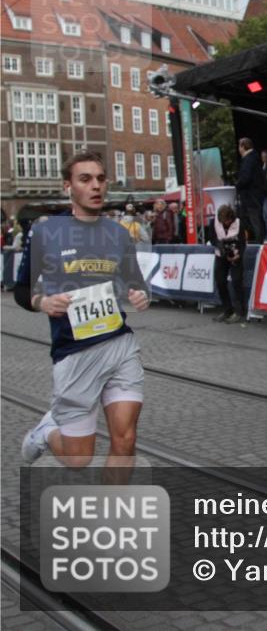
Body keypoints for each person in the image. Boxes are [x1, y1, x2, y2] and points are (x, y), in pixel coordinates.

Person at [16, 150, 150, 467]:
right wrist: (43, 302)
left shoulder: (118, 233)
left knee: (126, 440)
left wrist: (141, 295)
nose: (96, 186)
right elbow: (22, 289)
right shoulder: (46, 231)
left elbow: (136, 282)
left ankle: (114, 514)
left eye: (101, 179)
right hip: (74, 352)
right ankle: (47, 431)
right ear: (68, 186)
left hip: (119, 345)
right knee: (78, 459)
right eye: (85, 179)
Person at [209, 205, 247, 324]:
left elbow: (243, 242)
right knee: (220, 282)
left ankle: (240, 312)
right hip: (221, 256)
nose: (226, 223)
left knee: (236, 281)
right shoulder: (213, 222)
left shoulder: (239, 223)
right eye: (224, 221)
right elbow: (212, 238)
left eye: (228, 221)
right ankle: (227, 310)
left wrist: (238, 255)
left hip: (235, 255)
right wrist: (219, 245)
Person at [235, 137, 266, 242]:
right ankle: (257, 238)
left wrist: (237, 184)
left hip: (251, 196)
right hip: (255, 195)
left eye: (239, 146)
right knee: (255, 218)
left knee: (254, 219)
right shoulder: (254, 158)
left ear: (243, 146)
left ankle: (257, 240)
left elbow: (246, 178)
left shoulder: (248, 160)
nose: (238, 149)